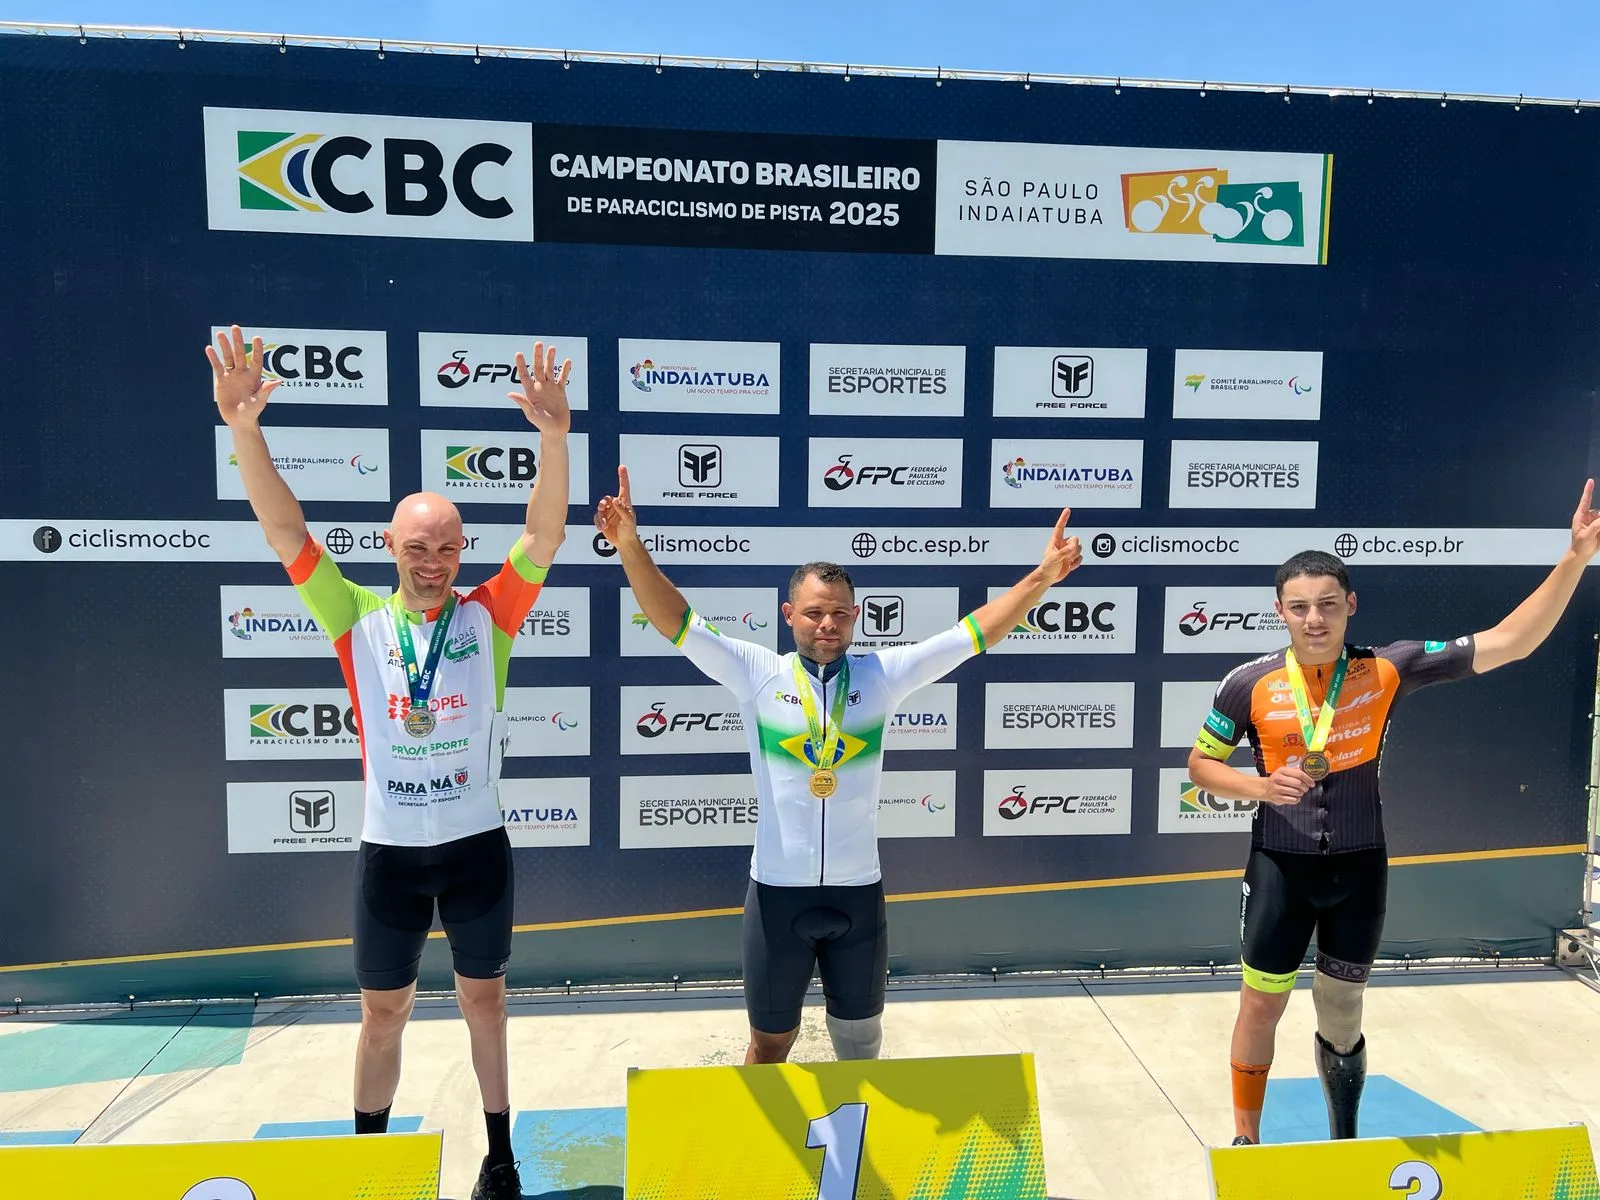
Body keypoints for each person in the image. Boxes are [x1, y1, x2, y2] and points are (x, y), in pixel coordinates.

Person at [211, 325, 572, 1200]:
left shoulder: (491, 613)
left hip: (477, 847)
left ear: (461, 552)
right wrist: (245, 431)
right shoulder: (354, 616)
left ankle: (499, 1156)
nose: (434, 560)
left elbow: (546, 531)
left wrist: (554, 441)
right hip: (391, 853)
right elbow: (283, 524)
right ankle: (368, 1166)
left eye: (447, 546)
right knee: (383, 1013)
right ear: (391, 546)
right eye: (418, 546)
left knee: (485, 1004)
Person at [594, 465, 1082, 1064]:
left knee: (861, 1044)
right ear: (788, 614)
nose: (829, 625)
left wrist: (1042, 578)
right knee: (770, 1045)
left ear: (856, 616)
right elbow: (676, 620)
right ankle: (761, 1157)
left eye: (842, 614)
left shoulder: (882, 676)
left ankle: (852, 1155)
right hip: (777, 898)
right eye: (816, 612)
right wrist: (629, 547)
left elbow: (971, 635)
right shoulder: (757, 674)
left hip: (858, 897)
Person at [1188, 482, 1600, 1147]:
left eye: (1327, 605)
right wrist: (1259, 788)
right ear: (1280, 613)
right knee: (1260, 1003)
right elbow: (1200, 767)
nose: (1314, 620)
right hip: (1278, 869)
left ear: (1350, 605)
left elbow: (1511, 643)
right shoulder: (1249, 683)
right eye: (1299, 608)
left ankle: (1344, 1142)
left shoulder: (1389, 667)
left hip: (1359, 870)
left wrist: (1575, 558)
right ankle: (1245, 1143)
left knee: (1342, 1011)